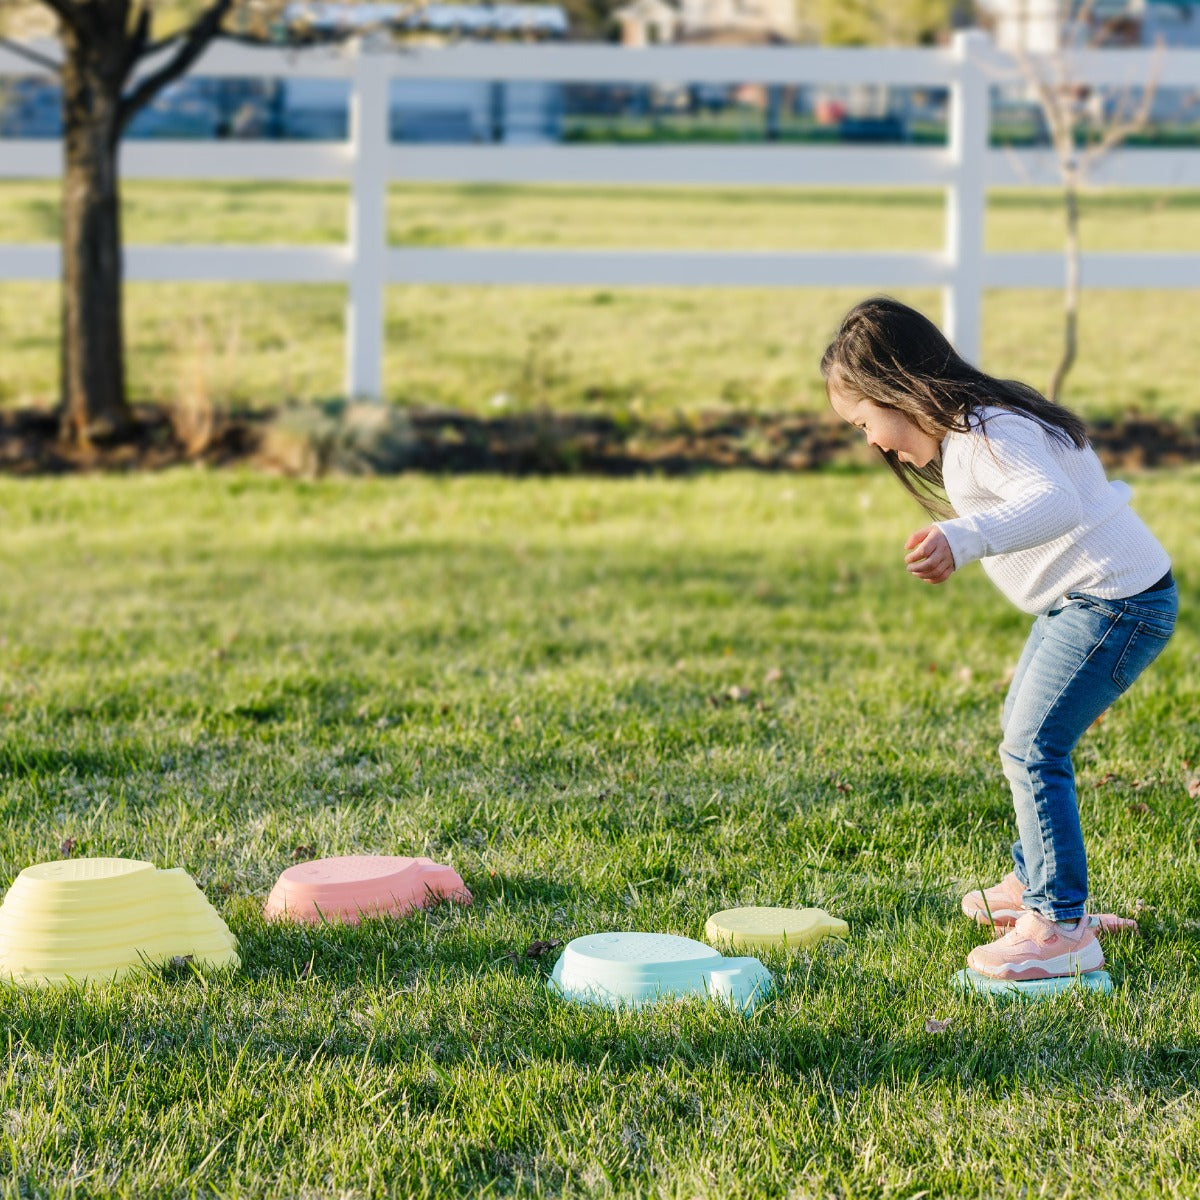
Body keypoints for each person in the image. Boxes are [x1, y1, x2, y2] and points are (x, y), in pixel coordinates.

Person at [821, 296, 1177, 981]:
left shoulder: (988, 431)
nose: (871, 442)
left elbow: (1055, 502)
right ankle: (1036, 881)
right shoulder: (976, 427)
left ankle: (1060, 924)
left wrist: (966, 536)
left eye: (865, 422)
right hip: (1089, 600)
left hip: (1117, 602)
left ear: (897, 387)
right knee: (1022, 729)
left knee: (1033, 746)